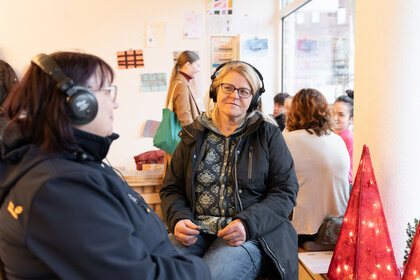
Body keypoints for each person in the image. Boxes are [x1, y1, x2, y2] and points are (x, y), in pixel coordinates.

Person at [0, 51, 210, 280]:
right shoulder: (59, 189)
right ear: (80, 103)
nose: (115, 103)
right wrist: (200, 271)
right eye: (108, 91)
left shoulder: (67, 166)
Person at [160, 61, 300, 280]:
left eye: (244, 91)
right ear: (216, 90)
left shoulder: (268, 134)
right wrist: (178, 218)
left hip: (250, 235)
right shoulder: (192, 135)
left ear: (253, 99)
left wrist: (247, 223)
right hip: (196, 231)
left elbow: (285, 191)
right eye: (228, 87)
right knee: (156, 269)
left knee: (215, 276)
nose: (235, 95)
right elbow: (171, 189)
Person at [282, 88, 350, 247]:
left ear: (293, 113)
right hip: (337, 228)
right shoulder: (338, 140)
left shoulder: (286, 140)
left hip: (304, 231)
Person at [163, 50, 201, 175]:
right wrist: (193, 138)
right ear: (188, 65)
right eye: (197, 65)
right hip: (184, 140)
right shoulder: (181, 84)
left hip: (180, 139)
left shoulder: (181, 82)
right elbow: (185, 116)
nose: (198, 69)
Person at [333, 89, 354, 185]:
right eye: (333, 112)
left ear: (351, 119)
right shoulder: (332, 136)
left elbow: (350, 174)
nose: (335, 118)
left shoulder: (349, 139)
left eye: (341, 115)